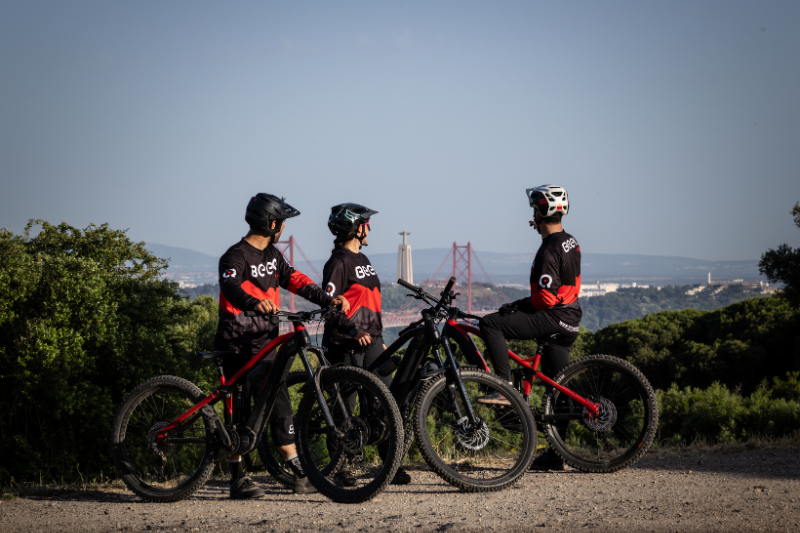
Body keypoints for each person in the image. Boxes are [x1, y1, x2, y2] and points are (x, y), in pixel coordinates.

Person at [214, 193, 349, 499]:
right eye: (282, 222)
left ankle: (300, 473)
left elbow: (294, 279)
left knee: (280, 405)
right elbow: (230, 286)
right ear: (271, 223)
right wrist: (253, 302)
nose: (284, 228)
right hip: (236, 344)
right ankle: (237, 479)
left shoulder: (273, 256)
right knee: (238, 412)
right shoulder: (235, 256)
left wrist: (328, 300)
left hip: (266, 345)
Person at [477, 184, 581, 471]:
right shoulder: (569, 241)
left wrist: (521, 304)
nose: (532, 215)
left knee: (490, 323)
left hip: (552, 316)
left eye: (535, 209)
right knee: (557, 386)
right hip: (570, 319)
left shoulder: (549, 248)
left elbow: (546, 298)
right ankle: (557, 455)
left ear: (540, 212)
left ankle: (502, 387)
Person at [320, 203, 412, 486]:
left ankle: (389, 464)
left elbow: (370, 302)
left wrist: (379, 339)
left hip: (372, 341)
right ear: (355, 228)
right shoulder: (338, 263)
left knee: (386, 402)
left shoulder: (363, 259)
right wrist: (353, 329)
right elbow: (329, 308)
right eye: (366, 224)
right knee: (344, 409)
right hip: (345, 343)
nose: (369, 229)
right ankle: (340, 468)